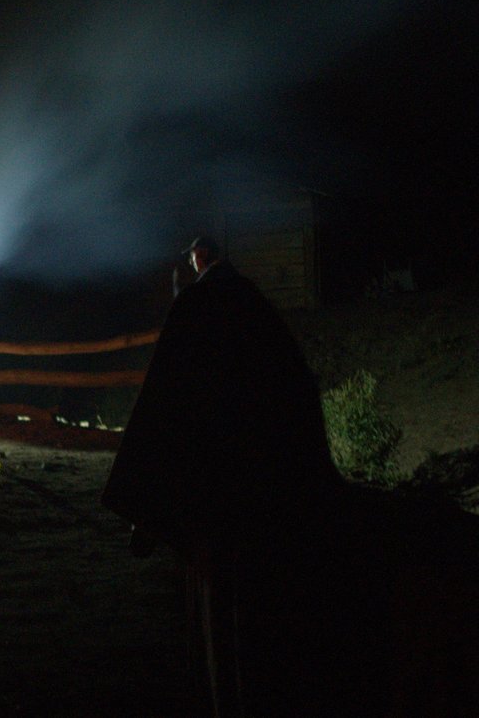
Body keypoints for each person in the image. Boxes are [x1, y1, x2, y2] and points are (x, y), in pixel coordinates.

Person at [102, 235, 353, 716]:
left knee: (226, 634)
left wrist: (146, 507)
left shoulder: (195, 307)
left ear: (198, 258)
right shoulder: (256, 306)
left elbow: (164, 405)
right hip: (280, 496)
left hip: (217, 507)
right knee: (280, 635)